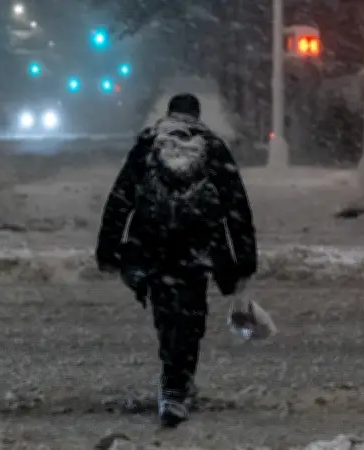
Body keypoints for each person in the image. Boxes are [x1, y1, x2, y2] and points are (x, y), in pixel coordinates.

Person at [95, 93, 257, 427]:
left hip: (154, 247)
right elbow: (236, 208)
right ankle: (177, 385)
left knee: (166, 317)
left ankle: (174, 383)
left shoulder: (149, 145)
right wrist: (244, 260)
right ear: (197, 116)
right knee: (191, 319)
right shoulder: (213, 149)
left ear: (169, 114)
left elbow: (121, 196)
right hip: (197, 248)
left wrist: (109, 248)